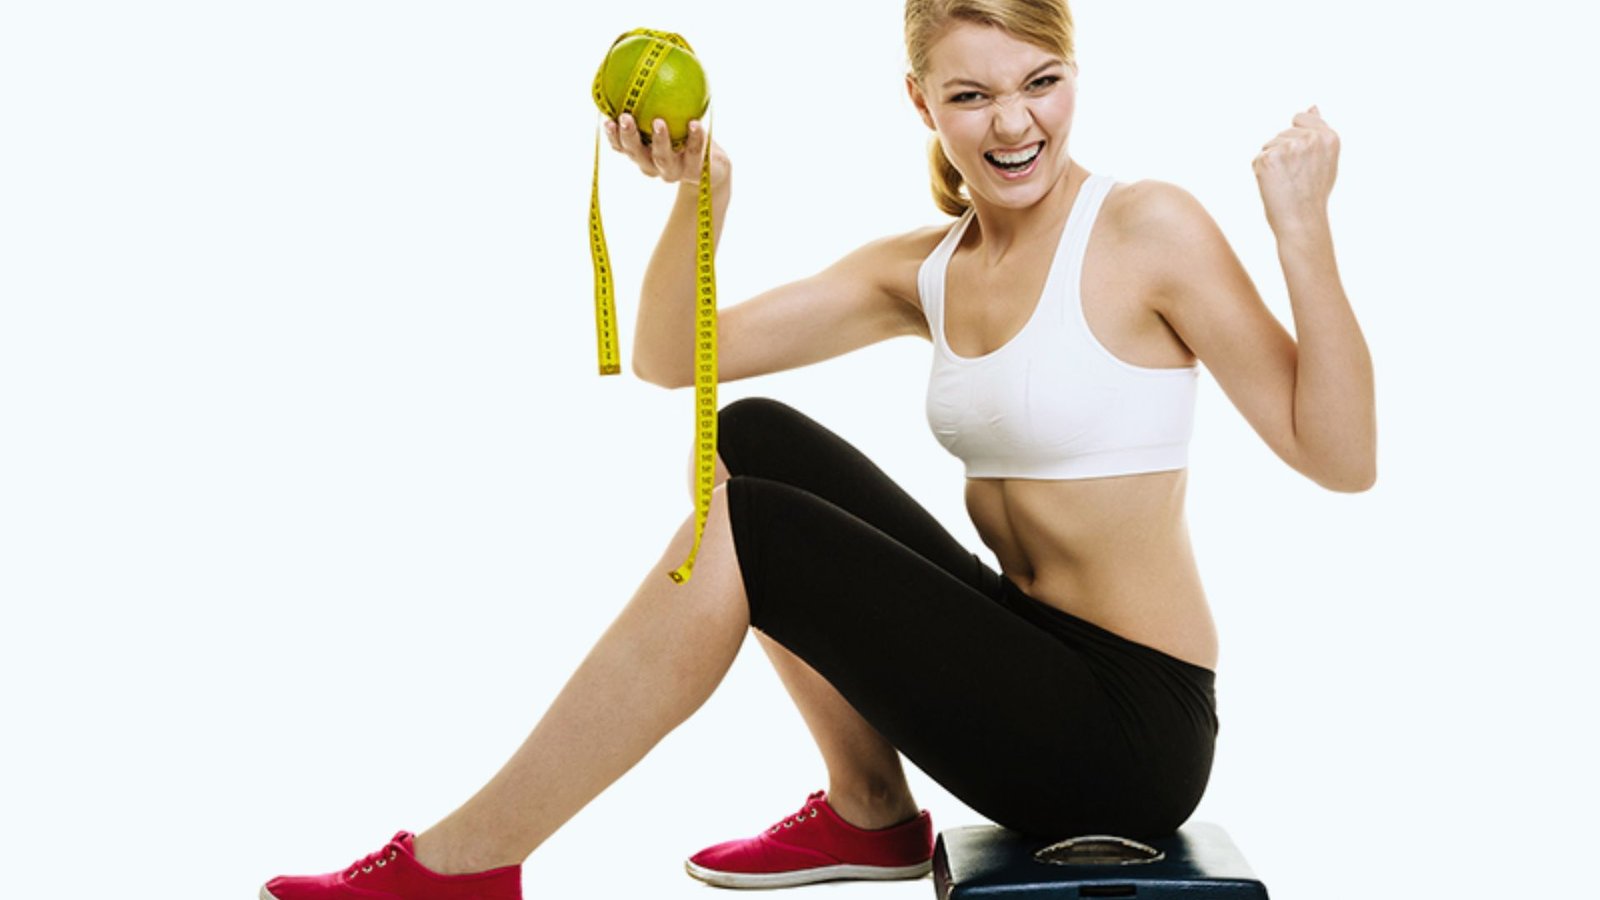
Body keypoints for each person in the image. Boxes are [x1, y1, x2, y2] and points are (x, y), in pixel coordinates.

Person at [260, 0, 1373, 897]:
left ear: (1073, 73)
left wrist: (1301, 232)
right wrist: (701, 197)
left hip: (1128, 734)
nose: (1013, 124)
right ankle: (867, 811)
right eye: (970, 94)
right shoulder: (926, 268)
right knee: (747, 439)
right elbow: (674, 360)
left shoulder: (1147, 229)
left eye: (1040, 82)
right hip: (1026, 656)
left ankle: (465, 864)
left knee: (760, 531)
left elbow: (1340, 458)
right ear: (920, 102)